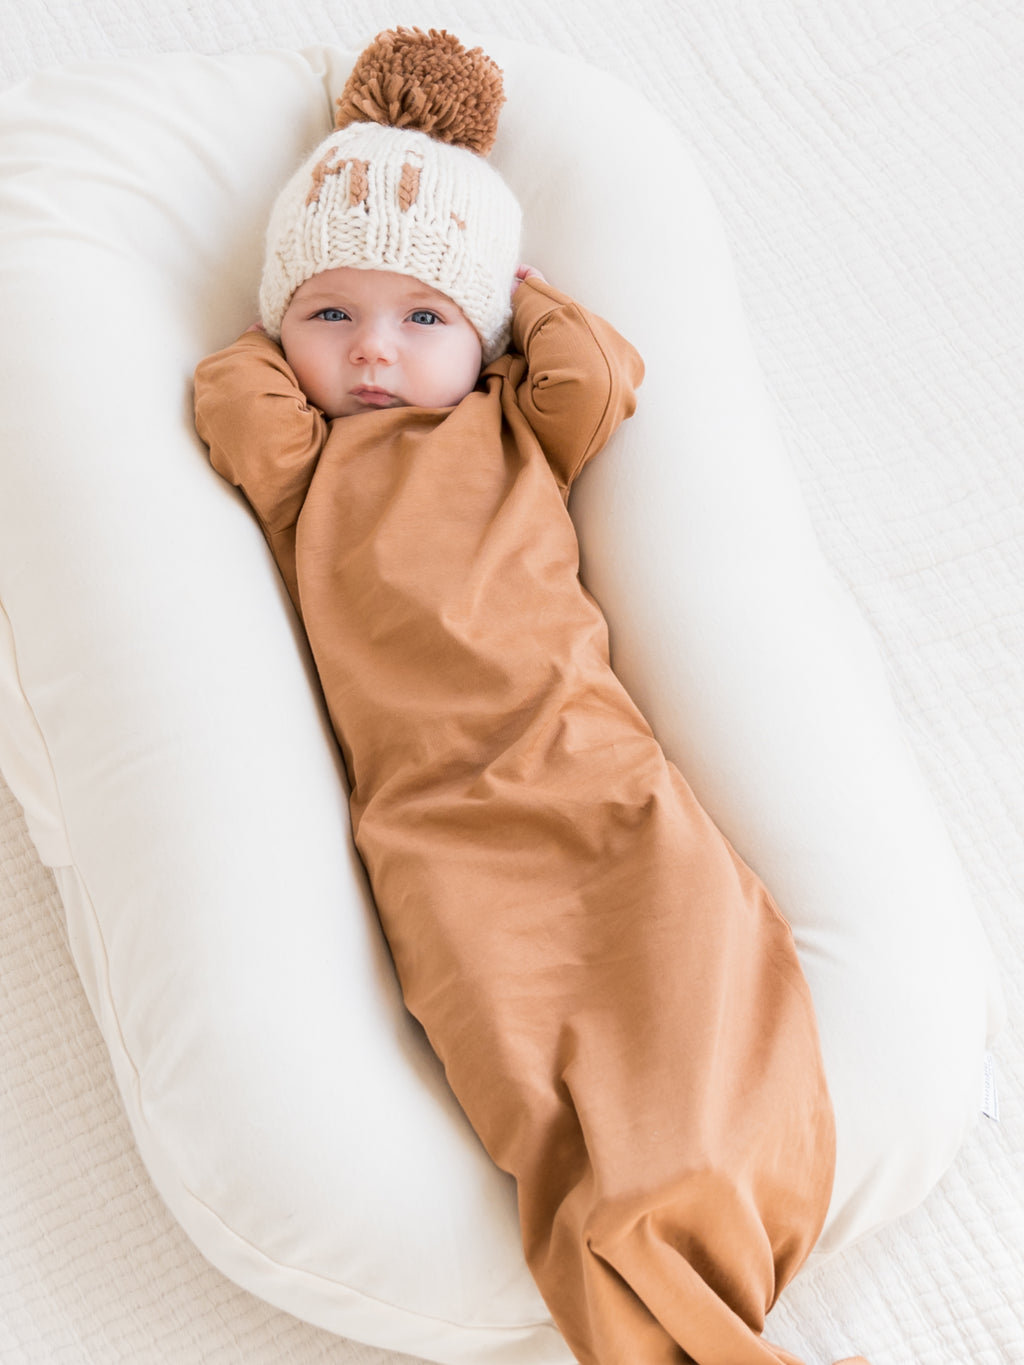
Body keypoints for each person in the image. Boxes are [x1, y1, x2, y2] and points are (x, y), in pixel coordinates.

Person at [194, 27, 868, 1365]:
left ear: (486, 326)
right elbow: (226, 389)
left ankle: (715, 1238)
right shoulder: (303, 465)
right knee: (550, 1102)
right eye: (333, 314)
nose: (375, 350)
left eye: (423, 317)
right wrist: (291, 324)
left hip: (592, 769)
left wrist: (518, 300)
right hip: (442, 823)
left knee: (701, 994)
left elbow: (603, 374)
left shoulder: (511, 420)